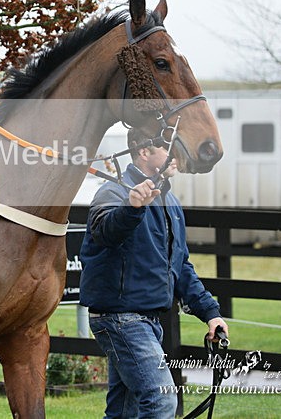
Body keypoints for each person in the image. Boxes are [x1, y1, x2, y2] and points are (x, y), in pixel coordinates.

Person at [79, 127, 228, 418]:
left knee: (124, 411)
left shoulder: (170, 203)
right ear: (143, 151)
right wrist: (132, 208)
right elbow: (105, 233)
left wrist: (211, 313)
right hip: (121, 319)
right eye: (167, 146)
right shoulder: (112, 192)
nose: (177, 154)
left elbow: (180, 266)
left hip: (145, 320)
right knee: (161, 400)